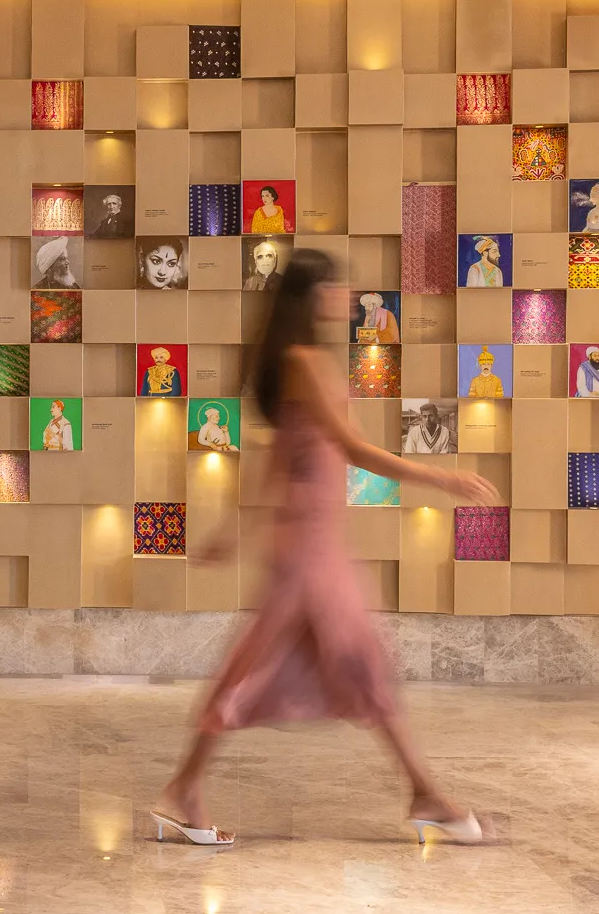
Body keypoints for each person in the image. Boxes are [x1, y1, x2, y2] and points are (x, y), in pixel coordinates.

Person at [154, 249, 494, 849]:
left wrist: (237, 527)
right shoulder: (304, 362)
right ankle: (424, 796)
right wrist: (444, 479)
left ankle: (186, 787)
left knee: (331, 663)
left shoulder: (299, 361)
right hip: (308, 549)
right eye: (337, 286)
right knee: (335, 662)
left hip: (312, 541)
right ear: (313, 295)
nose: (346, 295)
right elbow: (352, 449)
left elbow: (281, 456)